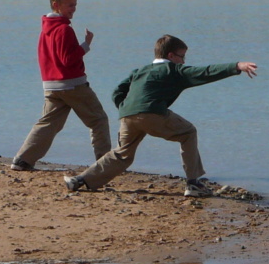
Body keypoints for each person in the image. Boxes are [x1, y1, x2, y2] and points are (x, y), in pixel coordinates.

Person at [63, 34, 257, 197]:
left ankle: (81, 180)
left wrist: (125, 107)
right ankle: (193, 184)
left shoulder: (140, 70)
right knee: (188, 133)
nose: (183, 61)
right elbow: (205, 72)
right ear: (171, 55)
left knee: (121, 155)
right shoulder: (173, 70)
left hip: (127, 115)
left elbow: (117, 91)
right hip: (152, 112)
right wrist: (236, 66)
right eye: (182, 57)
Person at [10, 0, 111, 171]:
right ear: (56, 5)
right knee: (99, 120)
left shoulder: (46, 29)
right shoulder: (64, 29)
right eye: (69, 5)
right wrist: (86, 45)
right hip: (72, 85)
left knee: (48, 124)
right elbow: (68, 59)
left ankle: (22, 160)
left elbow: (47, 58)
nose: (73, 9)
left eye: (75, 5)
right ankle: (105, 165)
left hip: (51, 85)